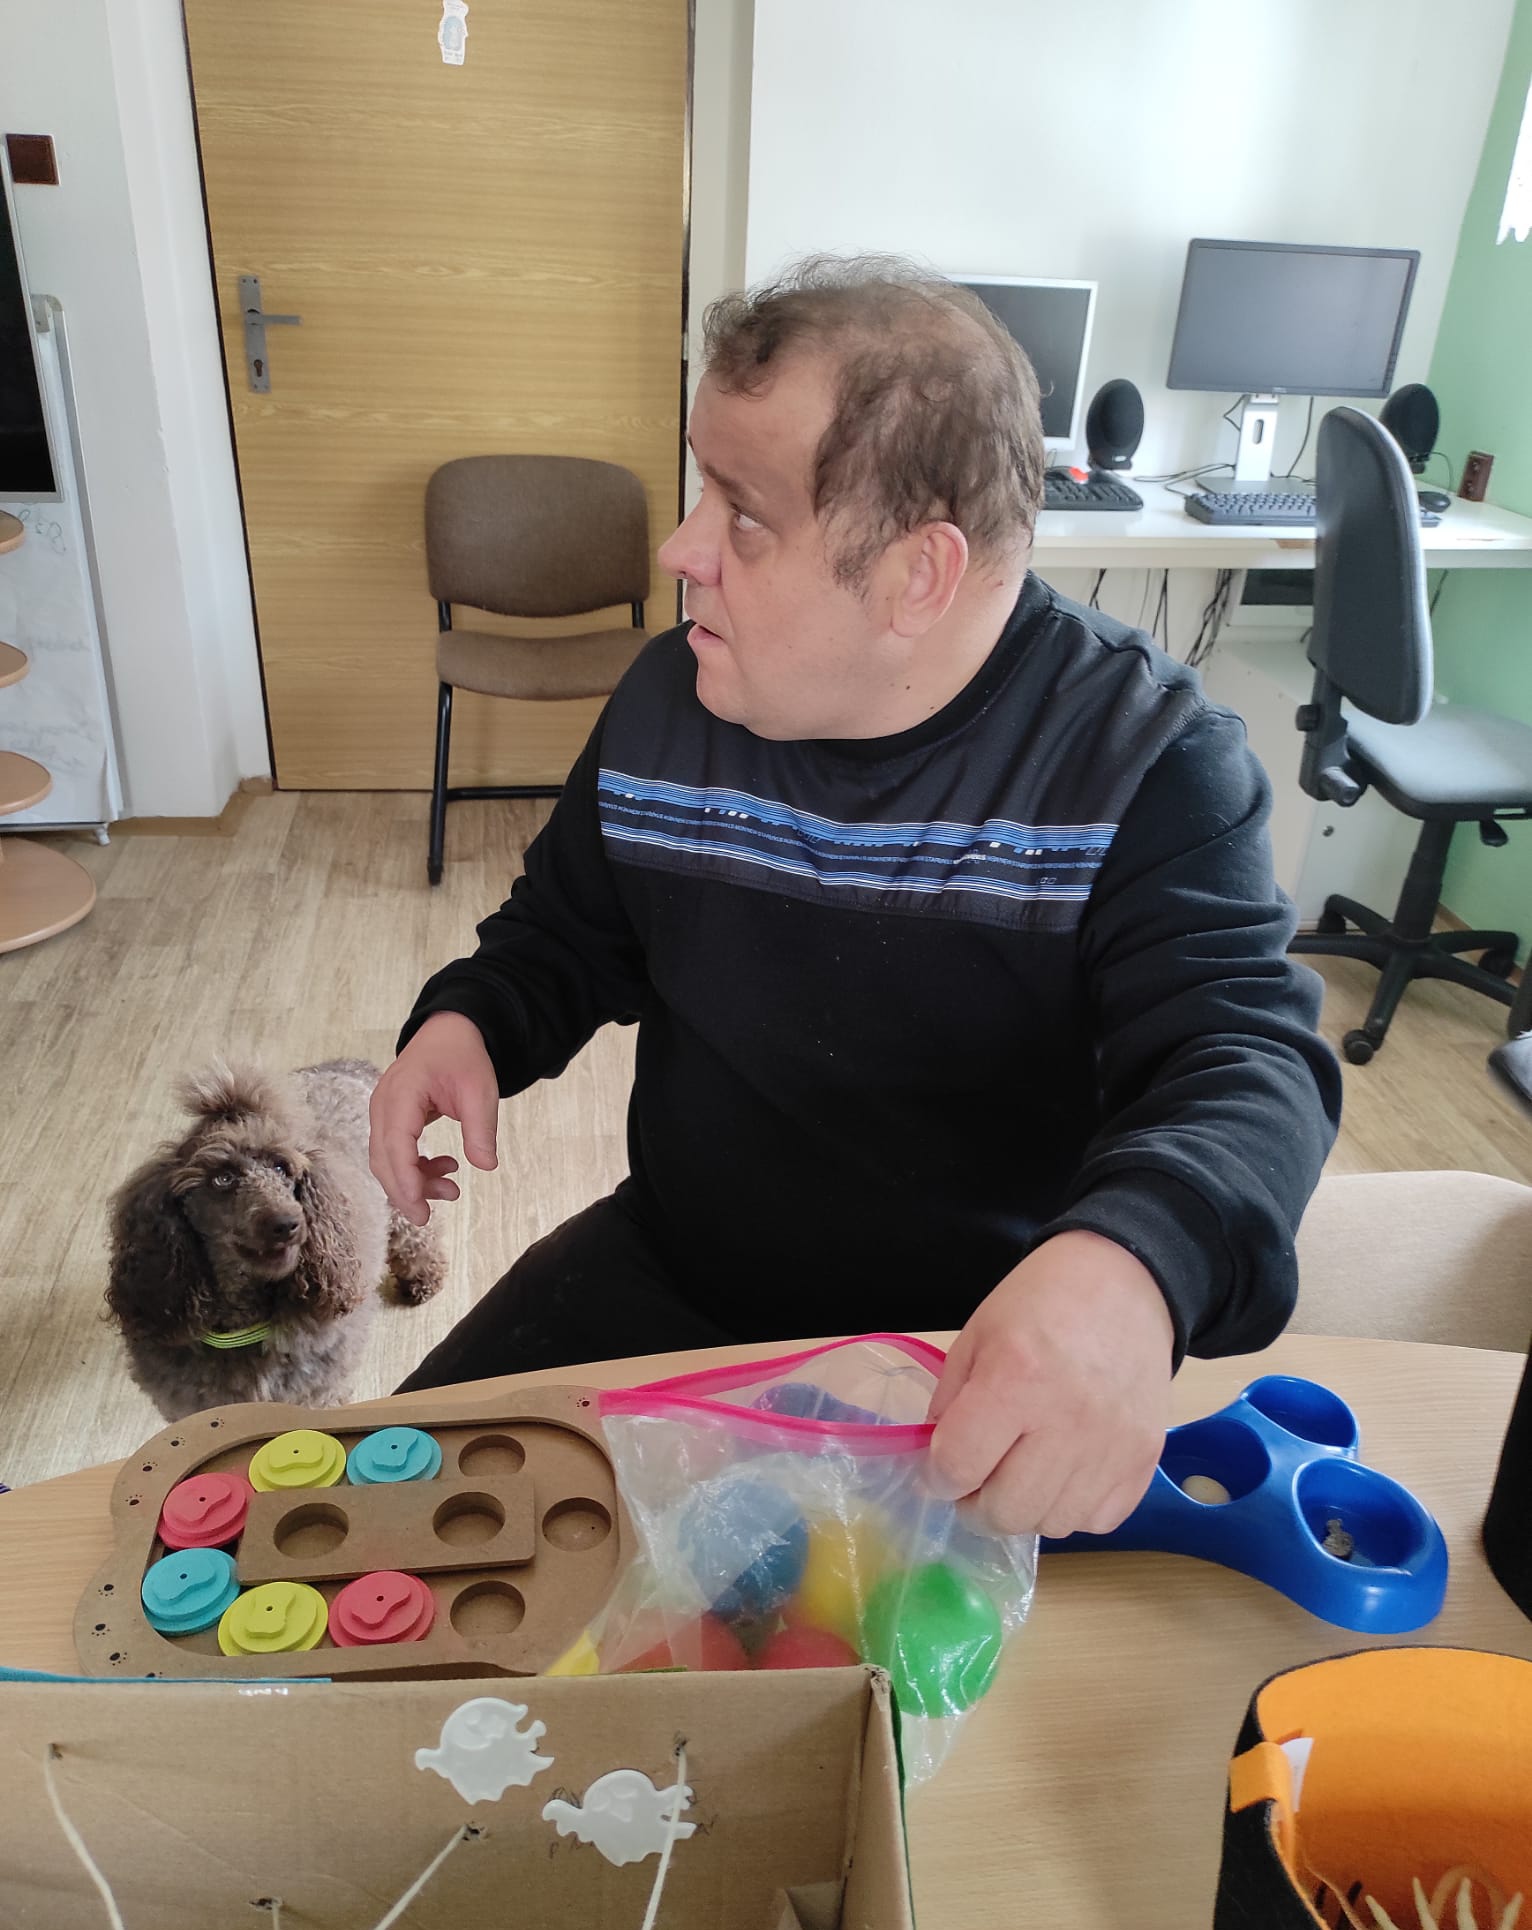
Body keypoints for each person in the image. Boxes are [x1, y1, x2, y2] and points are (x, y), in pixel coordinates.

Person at [370, 255, 1341, 1539]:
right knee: (383, 1514)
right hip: (676, 1275)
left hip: (965, 1367)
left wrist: (1127, 1271)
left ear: (915, 577)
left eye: (741, 514)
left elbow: (1243, 1059)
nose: (678, 549)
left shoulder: (1146, 763)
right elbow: (567, 929)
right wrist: (472, 1021)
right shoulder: (671, 697)